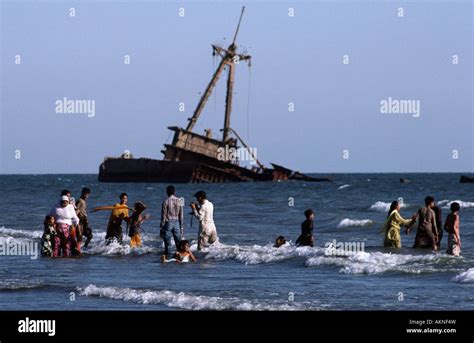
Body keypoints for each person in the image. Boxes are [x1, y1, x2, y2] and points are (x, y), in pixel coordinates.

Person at [160, 186, 184, 256]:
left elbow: (163, 216)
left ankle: (167, 257)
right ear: (174, 192)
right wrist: (181, 227)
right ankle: (179, 257)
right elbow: (181, 215)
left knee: (167, 243)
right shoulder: (180, 200)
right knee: (178, 243)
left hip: (168, 223)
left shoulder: (165, 201)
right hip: (177, 223)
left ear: (167, 192)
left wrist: (161, 227)